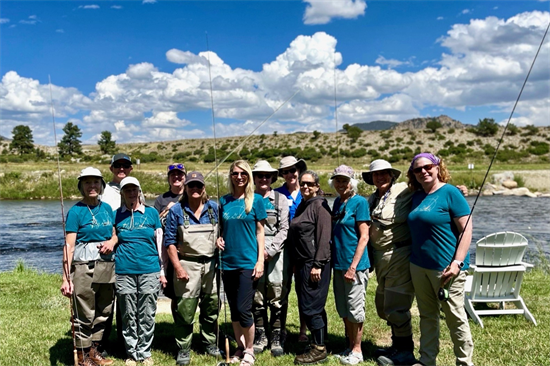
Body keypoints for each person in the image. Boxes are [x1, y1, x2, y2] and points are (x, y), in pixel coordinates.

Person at [407, 153, 474, 366]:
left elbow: (466, 229)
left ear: (438, 167)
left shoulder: (450, 192)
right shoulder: (416, 196)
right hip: (419, 266)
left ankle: (464, 362)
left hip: (446, 268)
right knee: (427, 316)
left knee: (455, 317)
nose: (423, 172)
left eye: (428, 167)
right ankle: (427, 360)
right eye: (418, 169)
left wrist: (457, 263)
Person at [60, 167, 117, 366]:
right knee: (84, 311)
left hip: (107, 266)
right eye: (87, 182)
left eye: (95, 182)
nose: (91, 186)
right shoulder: (76, 211)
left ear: (101, 185)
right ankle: (83, 355)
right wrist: (66, 278)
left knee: (104, 310)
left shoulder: (108, 208)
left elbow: (114, 233)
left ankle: (95, 350)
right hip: (84, 266)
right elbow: (69, 246)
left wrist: (112, 241)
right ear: (81, 186)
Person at [362, 159, 416, 366]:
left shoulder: (405, 190)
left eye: (384, 173)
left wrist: (456, 190)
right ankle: (396, 344)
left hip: (399, 255)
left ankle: (405, 352)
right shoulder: (371, 199)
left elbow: (431, 191)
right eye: (376, 174)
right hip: (379, 257)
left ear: (392, 175)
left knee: (397, 305)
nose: (380, 177)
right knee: (383, 306)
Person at [164, 171, 220, 365]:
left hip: (212, 265)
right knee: (185, 309)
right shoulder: (176, 211)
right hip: (187, 264)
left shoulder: (214, 209)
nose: (195, 189)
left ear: (204, 188)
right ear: (185, 188)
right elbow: (170, 242)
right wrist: (178, 267)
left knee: (212, 307)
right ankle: (183, 348)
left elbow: (224, 234)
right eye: (191, 186)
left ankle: (210, 342)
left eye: (198, 186)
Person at [216, 160, 267, 366]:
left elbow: (261, 232)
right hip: (227, 262)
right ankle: (239, 346)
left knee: (244, 308)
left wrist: (260, 260)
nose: (239, 177)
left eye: (243, 173)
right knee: (234, 309)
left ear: (248, 176)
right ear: (230, 176)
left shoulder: (256, 201)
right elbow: (222, 229)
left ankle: (249, 350)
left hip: (248, 262)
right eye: (235, 173)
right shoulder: (224, 201)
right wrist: (219, 238)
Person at [114, 177, 167, 366]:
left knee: (146, 312)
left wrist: (162, 271)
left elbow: (160, 244)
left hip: (149, 269)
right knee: (128, 313)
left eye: (133, 189)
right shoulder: (115, 215)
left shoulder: (152, 214)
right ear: (122, 193)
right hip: (123, 271)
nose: (131, 193)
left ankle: (145, 352)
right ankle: (131, 353)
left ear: (139, 191)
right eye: (126, 190)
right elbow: (112, 239)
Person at [288, 170, 332, 365]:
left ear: (316, 186)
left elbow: (324, 238)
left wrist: (318, 265)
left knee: (311, 306)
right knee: (310, 304)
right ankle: (319, 342)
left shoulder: (320, 206)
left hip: (315, 264)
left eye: (309, 184)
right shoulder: (304, 206)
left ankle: (319, 349)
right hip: (303, 262)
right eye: (302, 183)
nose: (305, 187)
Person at [329, 165, 370, 366]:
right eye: (337, 180)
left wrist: (353, 266)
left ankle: (357, 350)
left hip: (355, 266)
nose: (341, 184)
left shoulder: (360, 202)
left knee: (355, 309)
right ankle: (349, 345)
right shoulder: (337, 202)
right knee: (343, 309)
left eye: (344, 180)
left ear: (352, 182)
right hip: (338, 265)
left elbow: (364, 237)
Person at [250, 160, 289, 357]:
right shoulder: (247, 198)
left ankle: (276, 336)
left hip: (275, 255)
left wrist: (270, 251)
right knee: (256, 296)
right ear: (254, 178)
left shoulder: (280, 199)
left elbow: (284, 229)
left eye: (267, 175)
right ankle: (260, 335)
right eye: (259, 176)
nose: (263, 179)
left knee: (276, 295)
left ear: (272, 177)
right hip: (252, 252)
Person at [274, 155, 309, 343]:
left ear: (299, 170)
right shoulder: (277, 194)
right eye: (285, 172)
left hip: (304, 251)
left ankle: (303, 331)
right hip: (283, 250)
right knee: (281, 291)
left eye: (293, 170)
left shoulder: (308, 191)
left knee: (304, 292)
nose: (290, 174)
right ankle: (281, 329)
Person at [153, 163, 186, 315]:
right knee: (174, 293)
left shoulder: (192, 194)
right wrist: (168, 209)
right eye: (173, 175)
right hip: (169, 250)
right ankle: (177, 324)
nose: (176, 177)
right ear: (169, 178)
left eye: (180, 174)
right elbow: (155, 223)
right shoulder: (161, 200)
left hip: (188, 249)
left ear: (185, 177)